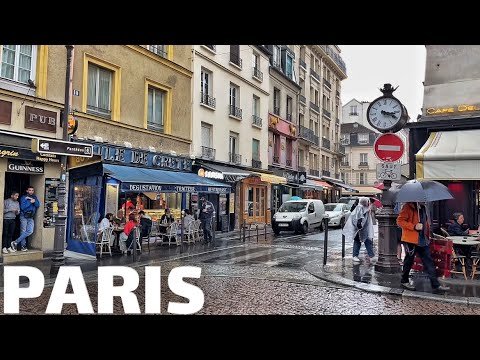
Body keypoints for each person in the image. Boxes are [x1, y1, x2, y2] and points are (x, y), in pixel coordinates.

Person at [397, 202, 450, 292]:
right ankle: (404, 280)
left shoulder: (423, 207)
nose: (424, 200)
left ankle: (435, 285)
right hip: (411, 240)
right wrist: (414, 226)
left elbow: (426, 223)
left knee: (429, 262)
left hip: (423, 240)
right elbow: (400, 221)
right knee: (409, 261)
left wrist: (429, 234)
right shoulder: (408, 207)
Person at [343, 197, 376, 264]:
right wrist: (359, 225)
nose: (369, 203)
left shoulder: (364, 208)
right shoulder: (359, 208)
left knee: (365, 241)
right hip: (359, 229)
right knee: (359, 241)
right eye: (368, 202)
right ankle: (357, 255)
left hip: (363, 228)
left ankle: (370, 255)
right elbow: (357, 218)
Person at [10, 186, 40, 252]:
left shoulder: (34, 197)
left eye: (32, 190)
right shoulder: (23, 197)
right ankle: (23, 246)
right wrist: (30, 202)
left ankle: (15, 242)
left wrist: (34, 201)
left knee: (30, 231)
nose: (31, 191)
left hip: (31, 217)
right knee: (23, 231)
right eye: (30, 190)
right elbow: (23, 207)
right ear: (27, 191)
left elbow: (38, 205)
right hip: (23, 216)